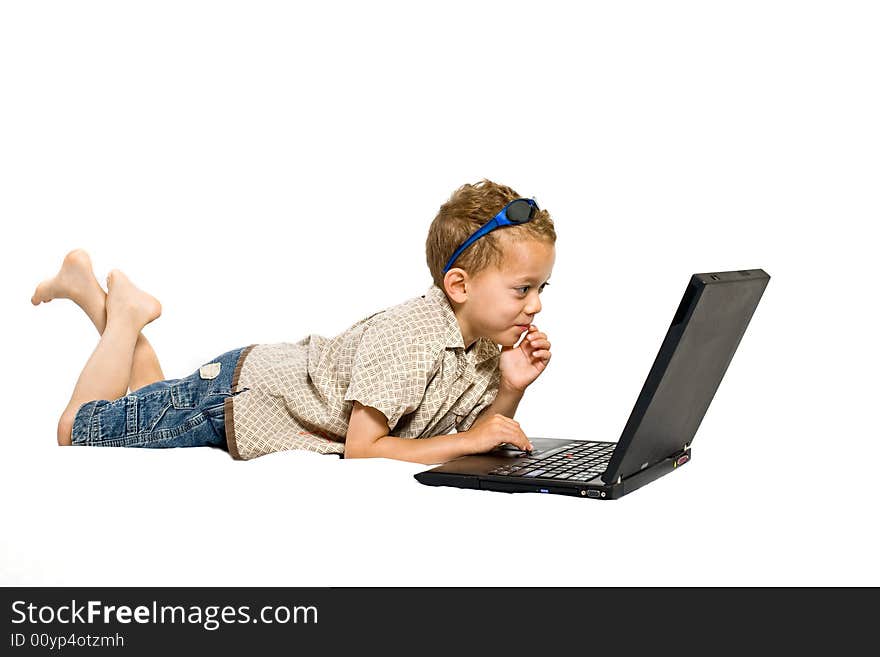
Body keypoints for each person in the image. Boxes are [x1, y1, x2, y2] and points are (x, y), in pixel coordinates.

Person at [33, 179, 556, 465]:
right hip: (237, 397)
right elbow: (364, 449)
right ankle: (124, 316)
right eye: (522, 289)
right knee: (77, 428)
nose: (535, 306)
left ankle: (86, 289)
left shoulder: (485, 348)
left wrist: (510, 388)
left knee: (148, 396)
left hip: (248, 390)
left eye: (540, 289)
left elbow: (480, 430)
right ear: (459, 286)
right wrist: (466, 444)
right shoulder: (412, 339)